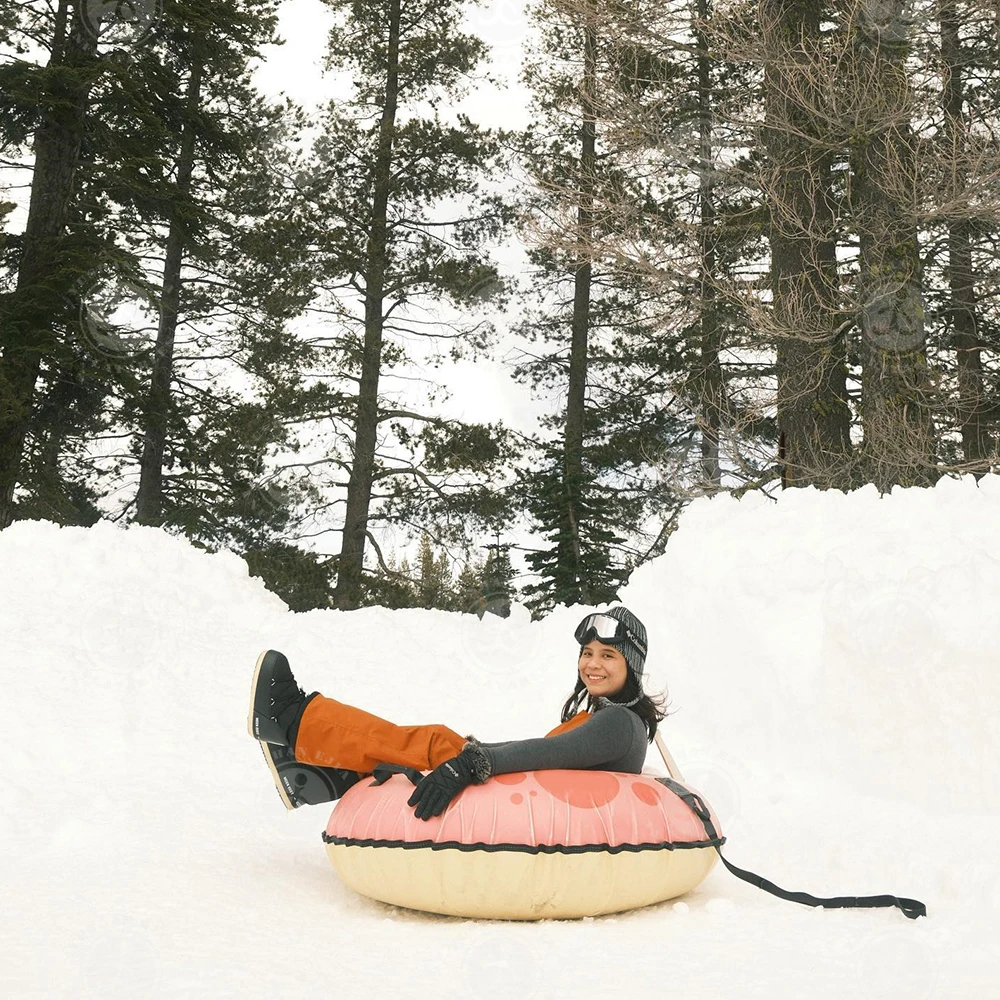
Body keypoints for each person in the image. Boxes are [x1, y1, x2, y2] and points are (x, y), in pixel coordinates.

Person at [247, 605, 668, 820]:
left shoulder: (619, 722)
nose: (592, 664)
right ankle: (325, 773)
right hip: (538, 801)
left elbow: (549, 755)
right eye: (587, 653)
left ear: (631, 664)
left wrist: (473, 759)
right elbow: (551, 751)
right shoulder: (614, 718)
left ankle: (290, 718)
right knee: (446, 744)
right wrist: (477, 750)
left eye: (608, 655)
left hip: (530, 812)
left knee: (436, 743)